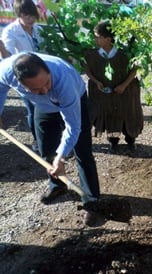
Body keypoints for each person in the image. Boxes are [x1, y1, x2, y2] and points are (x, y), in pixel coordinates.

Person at [0, 52, 102, 226]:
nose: (45, 90)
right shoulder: (6, 71)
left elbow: (73, 127)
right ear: (20, 83)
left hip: (74, 102)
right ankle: (58, 186)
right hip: (44, 108)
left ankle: (92, 202)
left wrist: (61, 156)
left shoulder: (63, 81)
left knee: (82, 152)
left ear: (48, 71)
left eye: (47, 83)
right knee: (46, 150)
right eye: (36, 89)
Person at [84, 21, 144, 151]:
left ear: (108, 39)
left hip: (126, 91)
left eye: (98, 37)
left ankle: (130, 139)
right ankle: (113, 140)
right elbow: (87, 69)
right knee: (110, 116)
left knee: (128, 114)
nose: (95, 39)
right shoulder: (92, 54)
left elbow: (135, 69)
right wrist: (96, 82)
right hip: (105, 93)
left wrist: (124, 85)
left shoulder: (125, 53)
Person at [0, 0, 43, 152]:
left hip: (43, 72)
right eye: (26, 16)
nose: (30, 19)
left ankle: (50, 136)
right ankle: (38, 139)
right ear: (19, 15)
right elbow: (8, 58)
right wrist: (3, 50)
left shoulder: (37, 28)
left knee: (47, 105)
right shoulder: (11, 32)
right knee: (33, 107)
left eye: (33, 15)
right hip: (25, 76)